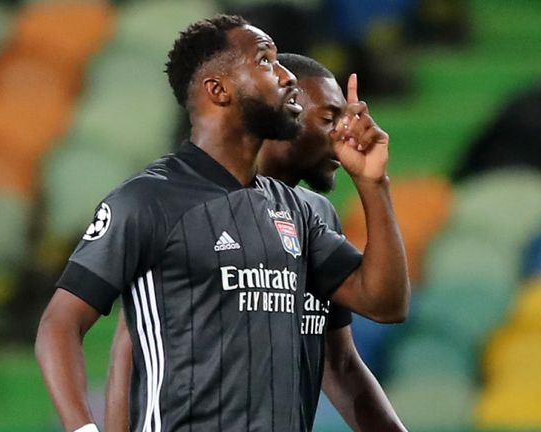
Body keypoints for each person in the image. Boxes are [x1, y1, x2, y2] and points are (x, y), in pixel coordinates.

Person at [36, 15, 409, 432]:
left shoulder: (301, 213)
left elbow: (383, 306)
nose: (286, 77)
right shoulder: (149, 199)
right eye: (267, 61)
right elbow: (66, 325)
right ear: (218, 89)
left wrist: (374, 184)